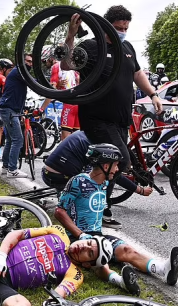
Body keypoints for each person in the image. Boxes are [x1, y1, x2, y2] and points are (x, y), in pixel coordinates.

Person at [62, 6, 163, 228]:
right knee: (120, 160)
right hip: (97, 117)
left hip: (120, 119)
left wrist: (153, 94)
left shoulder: (126, 48)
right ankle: (94, 203)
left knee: (109, 162)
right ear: (106, 25)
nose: (122, 31)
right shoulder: (90, 46)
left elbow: (137, 74)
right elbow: (66, 64)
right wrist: (71, 35)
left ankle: (94, 203)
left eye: (126, 28)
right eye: (118, 28)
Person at [54, 144, 178, 292]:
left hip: (98, 236)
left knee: (127, 250)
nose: (117, 169)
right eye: (115, 165)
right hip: (77, 238)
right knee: (100, 261)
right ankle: (121, 281)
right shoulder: (78, 182)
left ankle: (164, 270)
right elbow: (59, 211)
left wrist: (140, 189)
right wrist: (81, 235)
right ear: (105, 165)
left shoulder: (104, 181)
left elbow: (121, 179)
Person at [42, 130, 153, 195]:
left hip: (48, 173)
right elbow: (111, 173)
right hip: (61, 178)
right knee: (100, 178)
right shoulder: (98, 147)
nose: (118, 168)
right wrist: (140, 190)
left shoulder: (88, 134)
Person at [0, 53, 33, 178]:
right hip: (9, 110)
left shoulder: (19, 72)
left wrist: (21, 112)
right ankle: (12, 170)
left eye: (31, 62)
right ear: (21, 62)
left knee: (10, 140)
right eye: (28, 61)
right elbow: (33, 83)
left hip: (11, 110)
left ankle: (5, 166)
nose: (30, 64)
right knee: (18, 140)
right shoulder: (19, 72)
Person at [41, 46, 81, 140]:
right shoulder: (71, 67)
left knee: (65, 139)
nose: (45, 64)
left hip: (69, 105)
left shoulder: (56, 67)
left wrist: (41, 109)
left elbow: (51, 93)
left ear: (50, 58)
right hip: (79, 104)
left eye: (44, 61)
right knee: (77, 138)